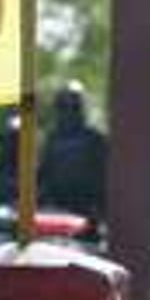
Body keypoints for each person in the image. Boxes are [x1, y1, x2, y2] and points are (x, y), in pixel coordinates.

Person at [38, 83, 108, 230]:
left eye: (73, 107)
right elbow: (44, 175)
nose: (68, 112)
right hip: (57, 212)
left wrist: (99, 211)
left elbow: (105, 179)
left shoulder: (95, 139)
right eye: (63, 106)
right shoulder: (52, 139)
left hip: (88, 214)